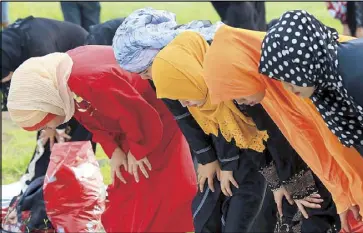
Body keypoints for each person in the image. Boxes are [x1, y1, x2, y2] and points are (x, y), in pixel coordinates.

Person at [202, 22, 363, 232]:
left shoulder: (299, 75)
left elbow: (348, 142)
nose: (241, 102)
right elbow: (312, 144)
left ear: (245, 70)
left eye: (238, 92)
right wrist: (343, 196)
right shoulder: (273, 87)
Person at [151, 30, 341, 233]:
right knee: (291, 213)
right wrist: (277, 184)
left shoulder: (238, 86)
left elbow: (280, 137)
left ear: (192, 76)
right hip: (287, 160)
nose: (183, 103)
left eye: (181, 93)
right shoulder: (213, 104)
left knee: (311, 211)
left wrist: (298, 187)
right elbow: (249, 141)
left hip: (310, 148)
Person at [111, 8, 277, 232]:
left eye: (144, 69)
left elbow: (226, 113)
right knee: (208, 202)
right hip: (221, 132)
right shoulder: (166, 68)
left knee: (243, 194)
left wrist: (228, 162)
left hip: (250, 131)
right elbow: (185, 115)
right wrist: (207, 158)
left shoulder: (202, 57)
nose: (142, 77)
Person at [6, 45, 197, 232]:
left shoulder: (90, 80)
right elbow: (91, 117)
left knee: (154, 182)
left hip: (152, 117)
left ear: (48, 102)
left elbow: (139, 114)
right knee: (125, 183)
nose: (48, 128)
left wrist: (138, 150)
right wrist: (114, 150)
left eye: (46, 122)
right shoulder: (62, 81)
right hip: (129, 123)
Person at [257, 10, 363, 231]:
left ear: (307, 60)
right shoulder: (328, 84)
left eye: (289, 76)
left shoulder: (355, 77)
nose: (288, 88)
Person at [1, 15, 94, 191]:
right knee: (46, 131)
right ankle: (43, 183)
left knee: (70, 136)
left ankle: (73, 187)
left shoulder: (40, 51)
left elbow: (57, 94)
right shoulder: (8, 48)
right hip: (56, 81)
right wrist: (48, 127)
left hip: (76, 72)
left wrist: (56, 127)